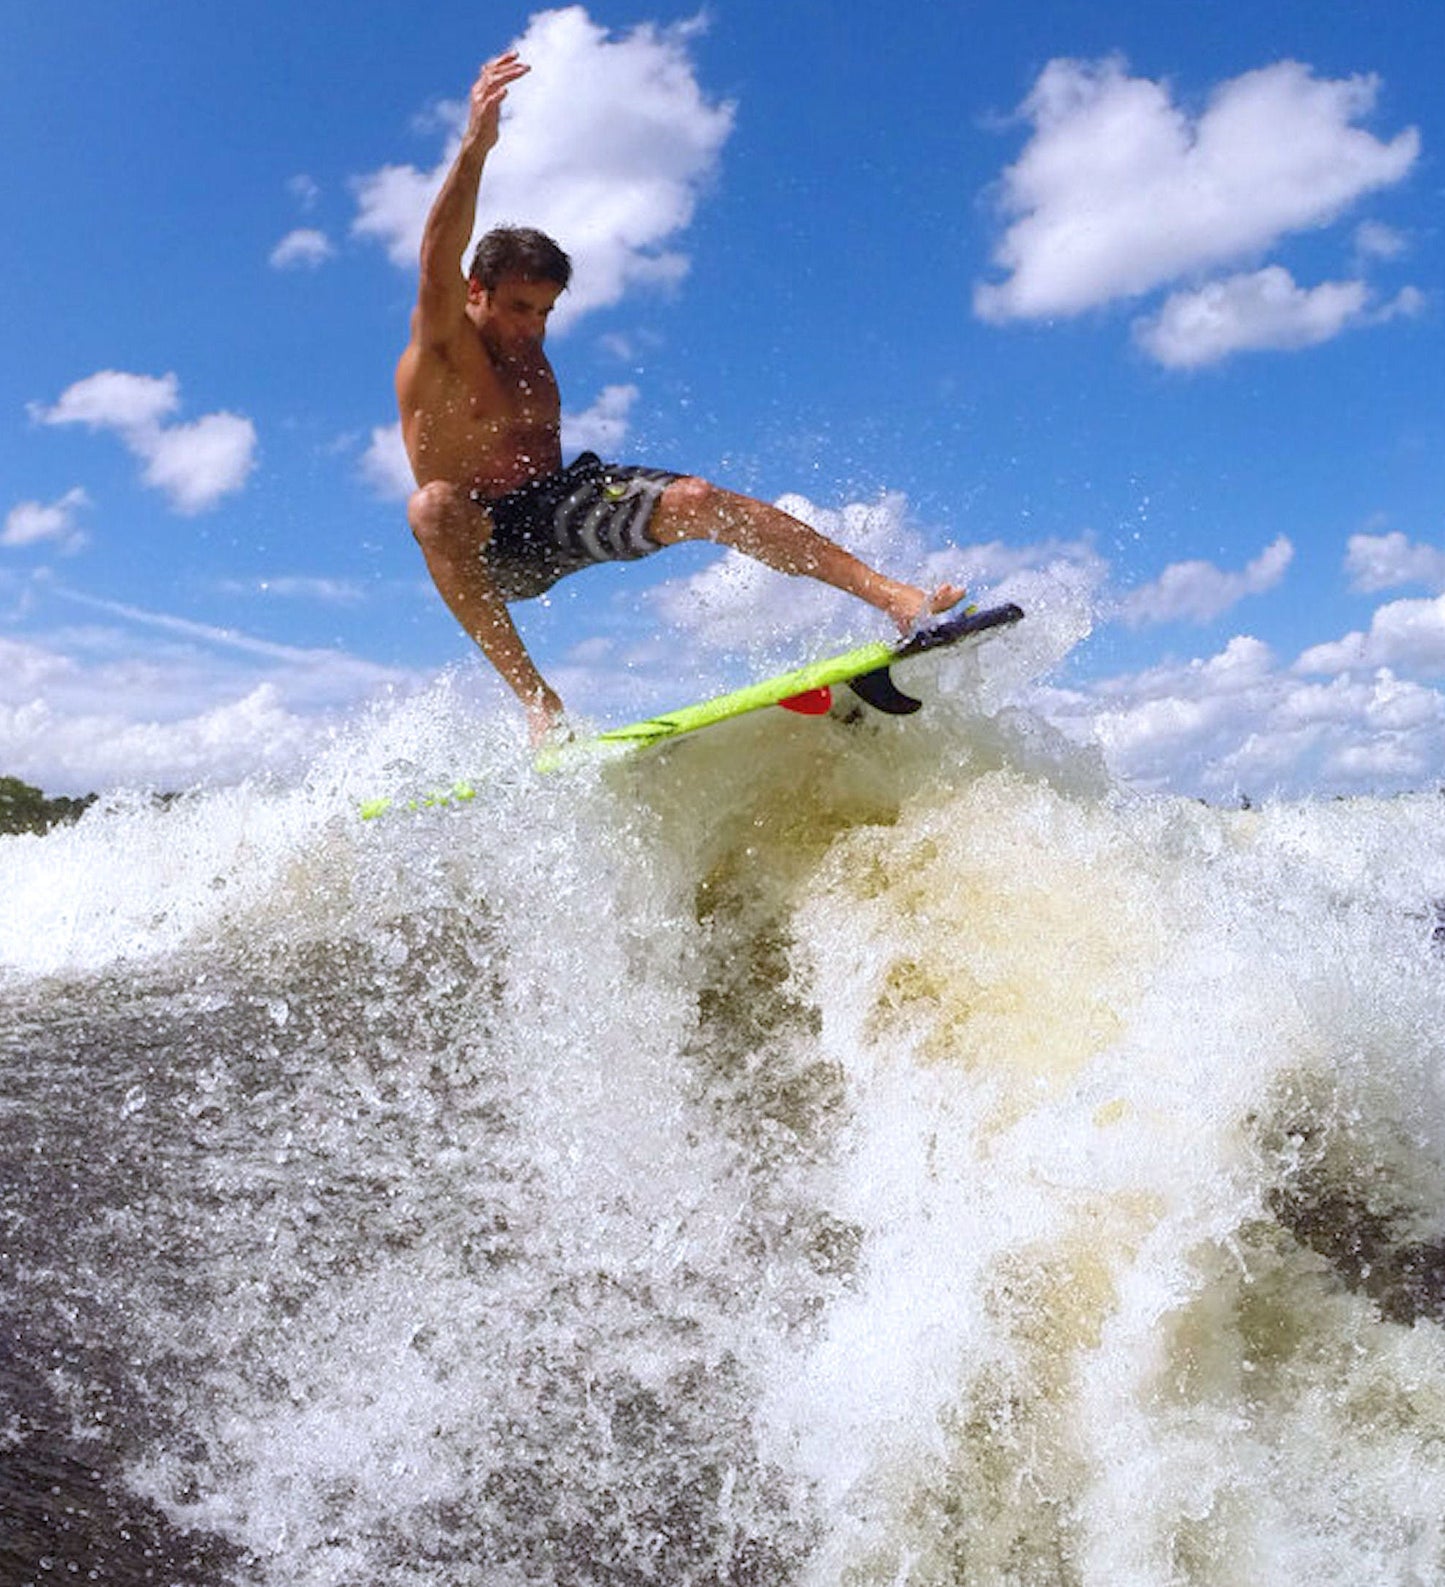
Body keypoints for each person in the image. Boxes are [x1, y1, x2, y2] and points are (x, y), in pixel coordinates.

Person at [397, 50, 965, 743]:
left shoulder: (528, 353)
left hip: (556, 510)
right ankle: (540, 702)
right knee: (432, 506)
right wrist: (475, 146)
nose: (533, 327)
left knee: (696, 498)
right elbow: (433, 259)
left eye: (546, 311)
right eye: (519, 308)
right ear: (474, 293)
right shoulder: (444, 350)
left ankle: (896, 600)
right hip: (490, 543)